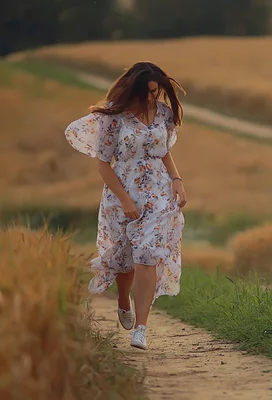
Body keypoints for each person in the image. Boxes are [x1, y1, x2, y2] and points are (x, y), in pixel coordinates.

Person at [64, 61, 187, 350]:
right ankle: (123, 299)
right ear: (131, 89)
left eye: (155, 92)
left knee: (147, 254)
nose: (150, 98)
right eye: (145, 91)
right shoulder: (113, 116)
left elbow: (163, 151)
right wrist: (126, 201)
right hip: (122, 191)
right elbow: (104, 164)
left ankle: (141, 329)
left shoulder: (164, 114)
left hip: (158, 192)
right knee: (124, 258)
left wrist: (177, 180)